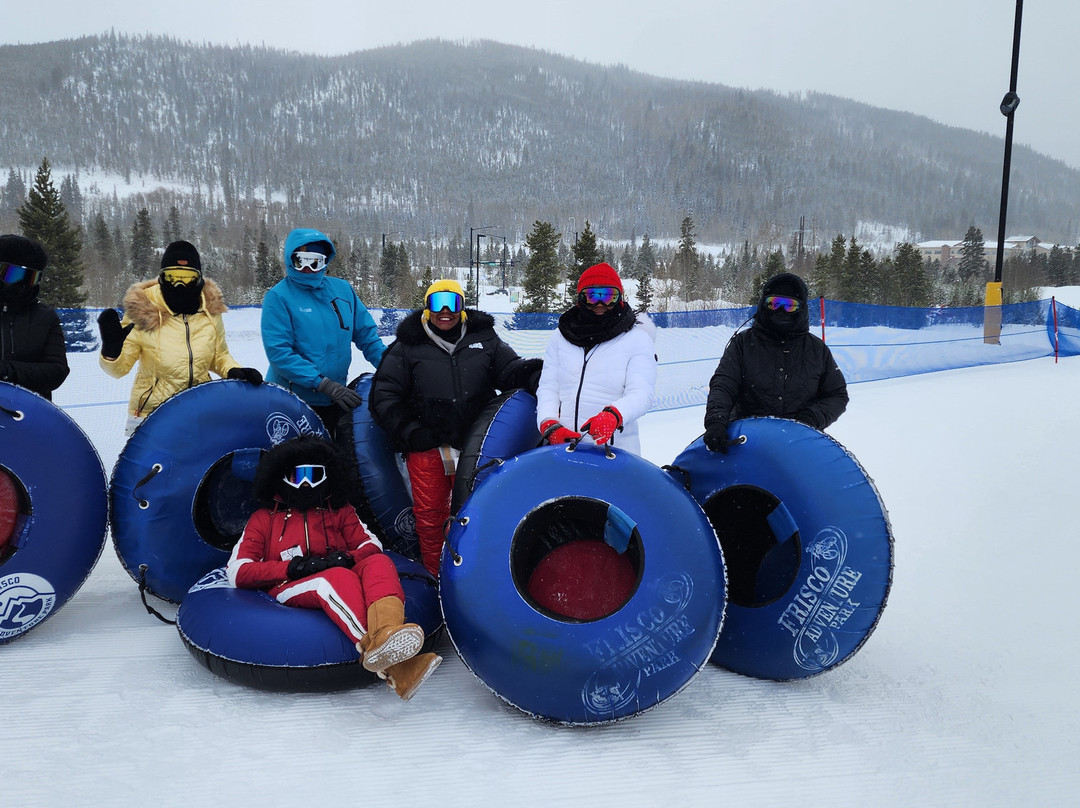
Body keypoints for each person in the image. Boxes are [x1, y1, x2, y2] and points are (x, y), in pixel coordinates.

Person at [227, 435, 441, 701]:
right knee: (332, 579)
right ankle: (385, 658)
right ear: (279, 477)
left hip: (340, 573)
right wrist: (292, 568)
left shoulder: (339, 511)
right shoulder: (264, 519)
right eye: (296, 477)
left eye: (313, 475)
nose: (305, 484)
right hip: (289, 585)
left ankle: (387, 633)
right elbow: (238, 571)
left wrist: (346, 557)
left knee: (378, 562)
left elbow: (370, 544)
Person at [368, 279, 542, 577]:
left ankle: (477, 575)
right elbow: (384, 396)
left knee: (478, 512)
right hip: (428, 446)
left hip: (475, 446)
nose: (445, 311)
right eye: (437, 303)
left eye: (453, 303)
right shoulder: (407, 346)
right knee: (430, 517)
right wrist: (412, 432)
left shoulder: (484, 339)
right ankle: (438, 578)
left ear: (462, 308)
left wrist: (534, 374)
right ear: (427, 308)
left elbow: (509, 371)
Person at [97, 240, 262, 435]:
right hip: (154, 414)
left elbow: (219, 355)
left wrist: (233, 369)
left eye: (187, 277)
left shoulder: (209, 310)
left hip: (199, 409)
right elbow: (118, 370)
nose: (179, 285)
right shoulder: (144, 309)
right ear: (161, 278)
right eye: (172, 276)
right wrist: (111, 352)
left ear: (199, 279)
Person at [261, 228, 386, 438]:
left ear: (326, 261)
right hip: (293, 402)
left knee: (333, 459)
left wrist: (389, 367)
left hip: (334, 399)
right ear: (290, 260)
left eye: (316, 262)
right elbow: (280, 354)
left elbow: (367, 336)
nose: (308, 269)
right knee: (301, 464)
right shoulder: (278, 297)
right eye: (302, 261)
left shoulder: (342, 290)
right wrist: (322, 384)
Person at [703, 272, 848, 452]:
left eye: (790, 306)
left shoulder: (816, 349)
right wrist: (716, 421)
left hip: (797, 444)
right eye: (774, 303)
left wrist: (810, 419)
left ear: (801, 309)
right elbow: (724, 384)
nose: (780, 311)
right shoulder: (743, 343)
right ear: (764, 304)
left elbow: (837, 394)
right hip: (746, 442)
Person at [536, 262, 657, 455]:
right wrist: (549, 423)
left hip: (615, 453)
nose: (600, 305)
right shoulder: (561, 336)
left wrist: (615, 415)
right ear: (580, 299)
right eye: (592, 297)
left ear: (620, 298)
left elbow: (642, 393)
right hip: (566, 448)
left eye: (609, 297)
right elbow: (549, 387)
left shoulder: (637, 339)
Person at [0, 234, 70, 400]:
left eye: (29, 278)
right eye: (13, 275)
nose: (21, 285)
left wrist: (6, 371)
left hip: (30, 415)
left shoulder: (44, 317)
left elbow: (56, 371)